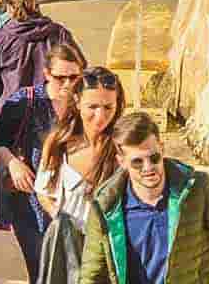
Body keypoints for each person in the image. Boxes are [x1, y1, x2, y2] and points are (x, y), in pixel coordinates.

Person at [77, 112, 209, 284]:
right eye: (137, 162)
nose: (148, 168)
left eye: (154, 158)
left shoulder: (198, 189)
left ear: (162, 149)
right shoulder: (105, 208)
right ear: (121, 162)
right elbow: (92, 275)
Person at [0, 41, 87, 280]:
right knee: (42, 269)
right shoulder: (25, 101)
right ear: (46, 74)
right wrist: (13, 164)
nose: (67, 84)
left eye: (74, 77)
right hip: (30, 202)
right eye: (60, 77)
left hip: (74, 202)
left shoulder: (87, 105)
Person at [34, 68, 126, 284]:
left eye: (108, 107)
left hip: (106, 248)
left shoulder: (122, 148)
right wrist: (60, 217)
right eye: (92, 107)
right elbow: (43, 190)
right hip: (65, 247)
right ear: (77, 102)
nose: (100, 116)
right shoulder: (58, 144)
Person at [0, 0, 78, 110]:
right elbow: (78, 70)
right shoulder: (59, 34)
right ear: (34, 4)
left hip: (11, 113)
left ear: (9, 8)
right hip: (52, 110)